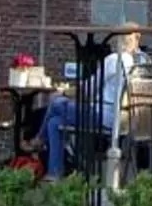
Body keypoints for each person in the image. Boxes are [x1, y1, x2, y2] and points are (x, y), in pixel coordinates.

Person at [45, 27, 141, 180]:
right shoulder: (137, 64)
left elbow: (90, 87)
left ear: (117, 40)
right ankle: (54, 173)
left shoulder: (114, 60)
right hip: (121, 118)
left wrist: (64, 92)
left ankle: (37, 141)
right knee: (54, 123)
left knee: (56, 103)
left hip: (103, 115)